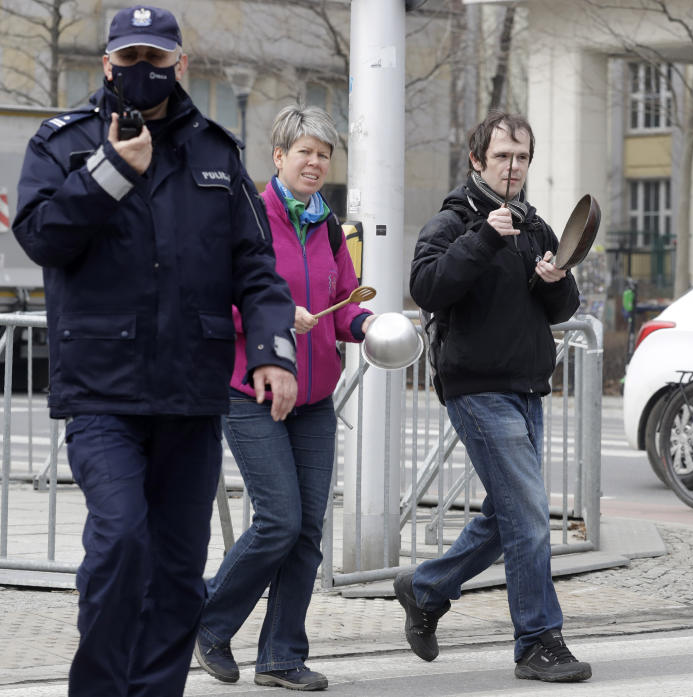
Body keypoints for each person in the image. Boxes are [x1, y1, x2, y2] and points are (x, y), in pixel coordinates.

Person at [12, 6, 298, 696]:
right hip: (102, 393)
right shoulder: (64, 143)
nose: (144, 72)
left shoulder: (216, 152)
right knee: (119, 542)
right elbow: (41, 236)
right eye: (130, 59)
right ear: (107, 63)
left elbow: (257, 267)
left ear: (181, 65)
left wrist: (272, 350)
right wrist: (111, 171)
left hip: (190, 395)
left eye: (157, 59)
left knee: (176, 569)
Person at [401, 111, 591, 683]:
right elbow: (427, 287)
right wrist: (484, 238)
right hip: (476, 387)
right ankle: (538, 641)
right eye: (503, 156)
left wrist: (556, 282)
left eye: (523, 157)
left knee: (507, 513)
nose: (514, 167)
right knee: (530, 512)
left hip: (528, 385)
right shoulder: (454, 220)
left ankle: (427, 587)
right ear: (477, 160)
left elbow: (562, 309)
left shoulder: (535, 225)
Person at [194, 105, 374, 692]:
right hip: (251, 389)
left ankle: (280, 657)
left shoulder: (326, 224)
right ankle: (209, 623)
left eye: (325, 154)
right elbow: (216, 298)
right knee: (278, 520)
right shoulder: (248, 215)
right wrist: (272, 315)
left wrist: (366, 324)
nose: (316, 163)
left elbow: (343, 300)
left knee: (307, 533)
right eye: (305, 152)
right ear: (278, 157)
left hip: (316, 397)